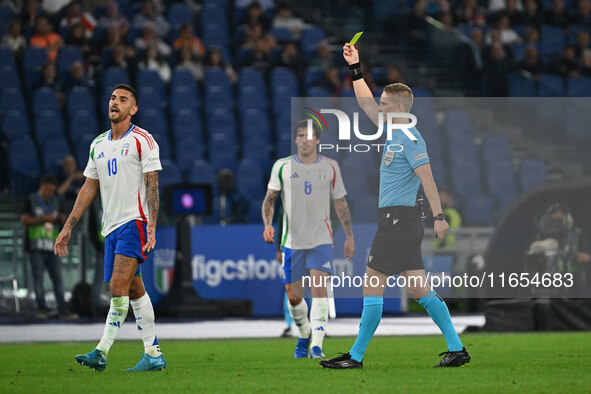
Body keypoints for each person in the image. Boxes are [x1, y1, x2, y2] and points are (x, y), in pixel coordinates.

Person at [319, 43, 470, 369]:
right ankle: (457, 348)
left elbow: (428, 178)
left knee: (371, 283)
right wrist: (356, 67)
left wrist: (439, 215)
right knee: (419, 288)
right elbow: (364, 103)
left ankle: (355, 357)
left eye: (385, 103)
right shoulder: (394, 128)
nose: (379, 107)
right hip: (400, 220)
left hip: (399, 221)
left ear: (400, 106)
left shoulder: (410, 138)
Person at [54, 84, 166, 372]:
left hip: (134, 222)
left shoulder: (143, 140)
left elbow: (153, 185)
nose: (115, 102)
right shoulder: (98, 145)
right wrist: (68, 227)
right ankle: (153, 354)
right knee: (134, 290)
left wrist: (152, 224)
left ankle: (101, 351)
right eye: (113, 97)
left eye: (123, 99)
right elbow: (88, 189)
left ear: (133, 109)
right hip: (111, 227)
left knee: (117, 286)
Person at [262, 120, 355, 359]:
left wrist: (349, 236)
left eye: (309, 135)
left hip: (321, 240)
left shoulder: (331, 166)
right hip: (292, 242)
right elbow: (270, 199)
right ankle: (304, 334)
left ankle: (316, 345)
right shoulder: (282, 166)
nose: (305, 139)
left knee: (319, 291)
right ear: (296, 140)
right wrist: (268, 224)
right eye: (300, 135)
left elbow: (341, 203)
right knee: (294, 298)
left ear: (317, 140)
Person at [22, 174, 77, 319]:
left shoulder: (56, 202)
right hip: (36, 247)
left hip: (53, 246)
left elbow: (63, 218)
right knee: (38, 279)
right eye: (48, 190)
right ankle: (42, 309)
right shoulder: (31, 200)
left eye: (52, 190)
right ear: (42, 186)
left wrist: (61, 220)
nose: (50, 193)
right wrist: (42, 219)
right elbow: (24, 220)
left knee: (58, 279)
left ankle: (63, 309)